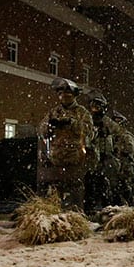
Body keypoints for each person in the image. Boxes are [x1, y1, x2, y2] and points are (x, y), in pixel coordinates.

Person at [37, 77, 94, 211]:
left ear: (74, 95)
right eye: (61, 94)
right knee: (56, 194)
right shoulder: (53, 112)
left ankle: (75, 217)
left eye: (67, 95)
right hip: (56, 161)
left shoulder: (82, 112)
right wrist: (49, 126)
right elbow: (41, 130)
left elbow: (90, 132)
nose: (64, 97)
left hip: (75, 160)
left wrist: (71, 123)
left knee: (74, 194)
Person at [83, 91, 123, 213]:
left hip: (106, 160)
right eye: (93, 106)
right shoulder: (87, 119)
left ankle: (107, 210)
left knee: (106, 187)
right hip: (90, 159)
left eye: (98, 106)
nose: (95, 109)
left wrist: (107, 135)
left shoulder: (107, 122)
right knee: (89, 186)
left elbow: (119, 134)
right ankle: (89, 210)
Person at [112, 111, 134, 205]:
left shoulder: (126, 136)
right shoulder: (113, 136)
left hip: (125, 169)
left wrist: (117, 148)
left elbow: (129, 149)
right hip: (115, 169)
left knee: (125, 192)